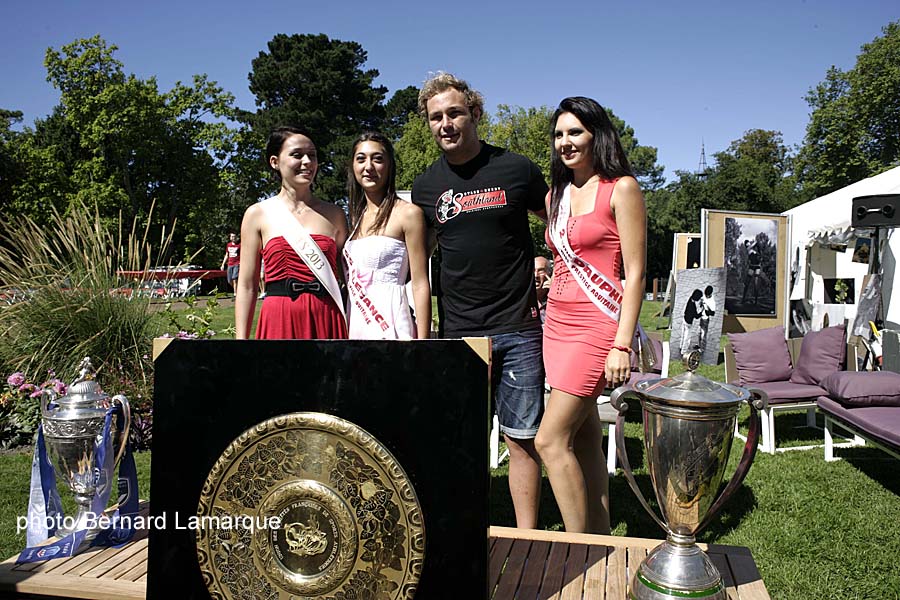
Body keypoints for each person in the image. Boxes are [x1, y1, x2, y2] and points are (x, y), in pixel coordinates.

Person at [412, 73, 547, 529]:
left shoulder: (517, 169)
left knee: (522, 439)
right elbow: (416, 254)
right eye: (435, 117)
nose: (445, 124)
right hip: (460, 334)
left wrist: (547, 258)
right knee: (463, 439)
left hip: (518, 326)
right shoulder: (426, 186)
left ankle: (528, 537)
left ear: (474, 112)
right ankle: (466, 529)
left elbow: (559, 224)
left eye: (454, 113)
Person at [536, 96, 647, 534]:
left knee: (549, 440)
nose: (565, 142)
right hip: (556, 325)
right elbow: (562, 261)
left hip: (597, 325)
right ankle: (599, 536)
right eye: (559, 134)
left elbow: (636, 275)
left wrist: (622, 343)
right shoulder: (555, 196)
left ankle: (576, 546)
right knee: (583, 439)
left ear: (596, 135)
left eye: (575, 132)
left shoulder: (621, 188)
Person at [235, 125, 349, 340]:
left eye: (312, 156)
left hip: (327, 316)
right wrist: (241, 343)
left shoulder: (335, 214)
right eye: (297, 155)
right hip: (280, 318)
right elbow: (248, 285)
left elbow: (349, 278)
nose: (307, 162)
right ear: (274, 162)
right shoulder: (257, 214)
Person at [344, 131, 431, 339]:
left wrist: (424, 343)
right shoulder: (354, 219)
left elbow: (420, 283)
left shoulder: (409, 214)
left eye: (377, 159)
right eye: (361, 159)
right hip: (355, 320)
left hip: (391, 322)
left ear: (389, 165)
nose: (369, 167)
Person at [681, 288, 703, 356]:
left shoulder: (690, 299)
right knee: (687, 338)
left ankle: (681, 346)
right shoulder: (692, 306)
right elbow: (696, 316)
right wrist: (702, 310)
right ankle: (684, 351)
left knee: (683, 335)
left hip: (684, 319)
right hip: (688, 323)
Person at [698, 285, 716, 353]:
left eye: (707, 295)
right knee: (699, 333)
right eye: (705, 295)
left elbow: (712, 313)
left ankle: (702, 348)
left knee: (703, 335)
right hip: (701, 317)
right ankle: (699, 345)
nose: (706, 296)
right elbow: (700, 304)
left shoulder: (712, 302)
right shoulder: (704, 296)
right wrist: (701, 303)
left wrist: (706, 307)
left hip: (705, 319)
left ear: (710, 294)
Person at [534, 256, 551, 323]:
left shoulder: (554, 298)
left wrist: (553, 292)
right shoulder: (523, 299)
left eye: (541, 271)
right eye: (533, 270)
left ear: (548, 273)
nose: (536, 275)